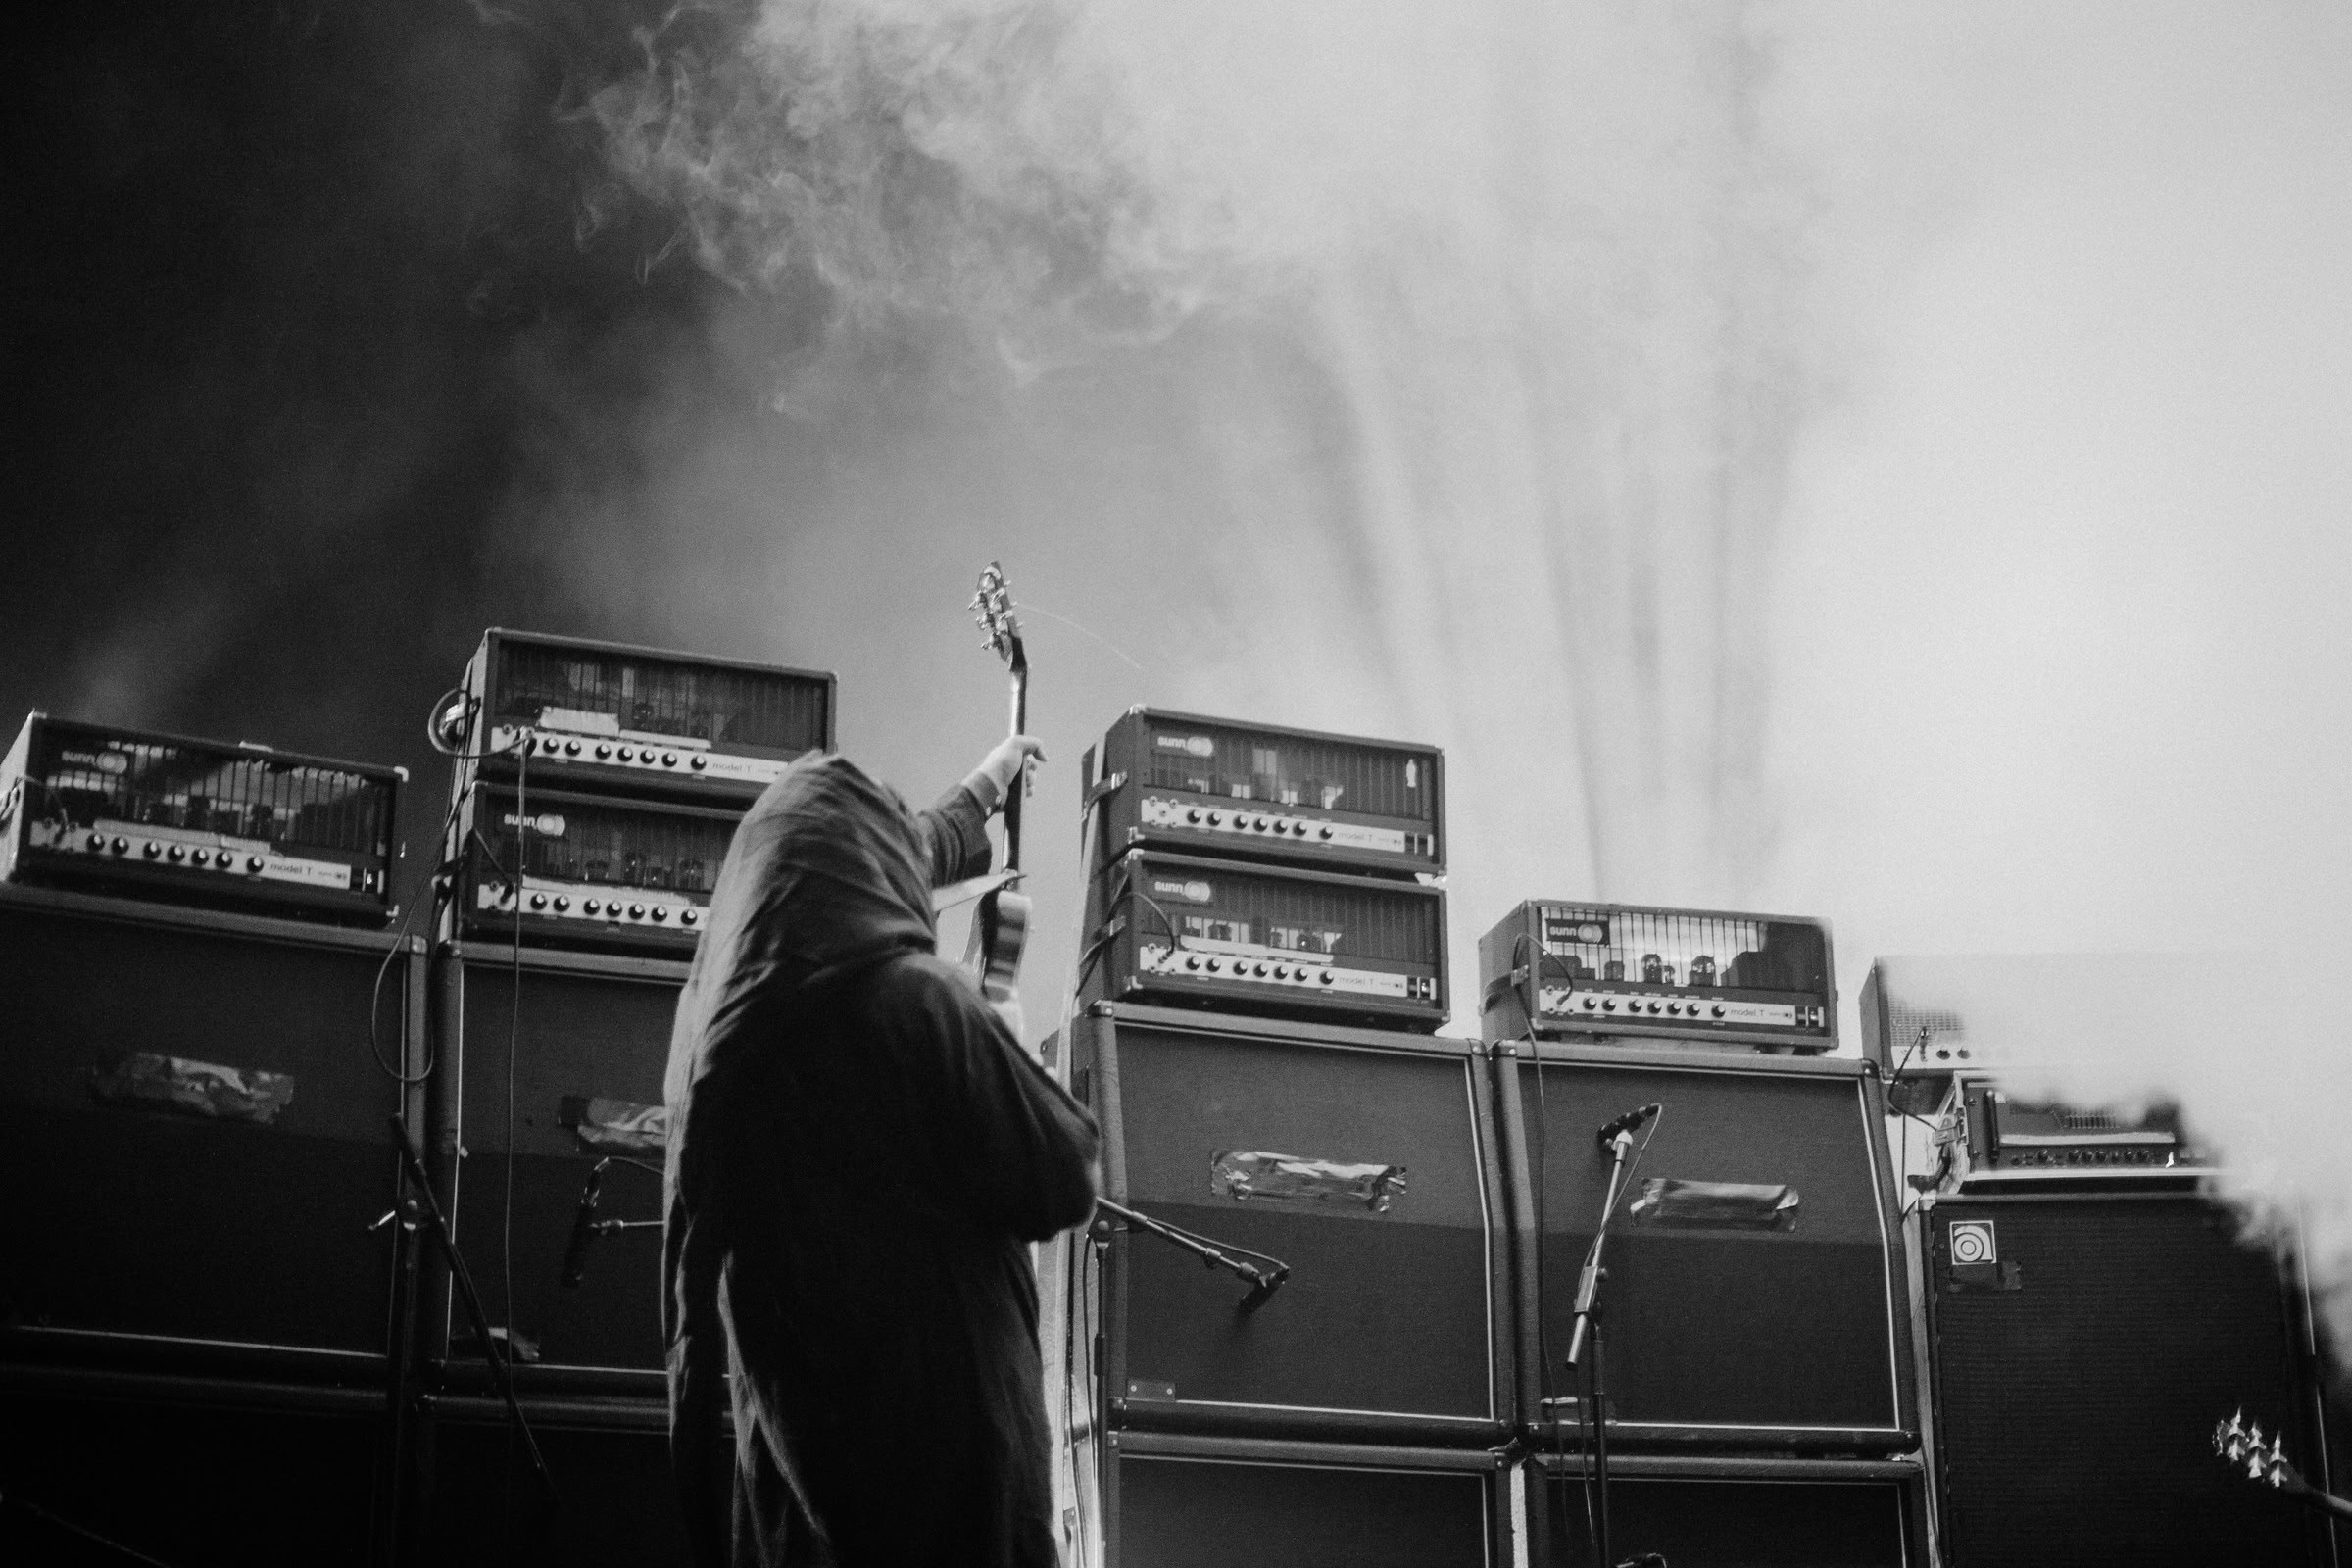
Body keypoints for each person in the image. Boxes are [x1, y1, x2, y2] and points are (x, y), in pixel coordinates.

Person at [661, 737, 1100, 1568]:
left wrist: (984, 783)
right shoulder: (915, 999)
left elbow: (897, 852)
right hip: (948, 1445)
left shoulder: (717, 1043)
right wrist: (1008, 1044)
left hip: (802, 1456)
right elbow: (1061, 1179)